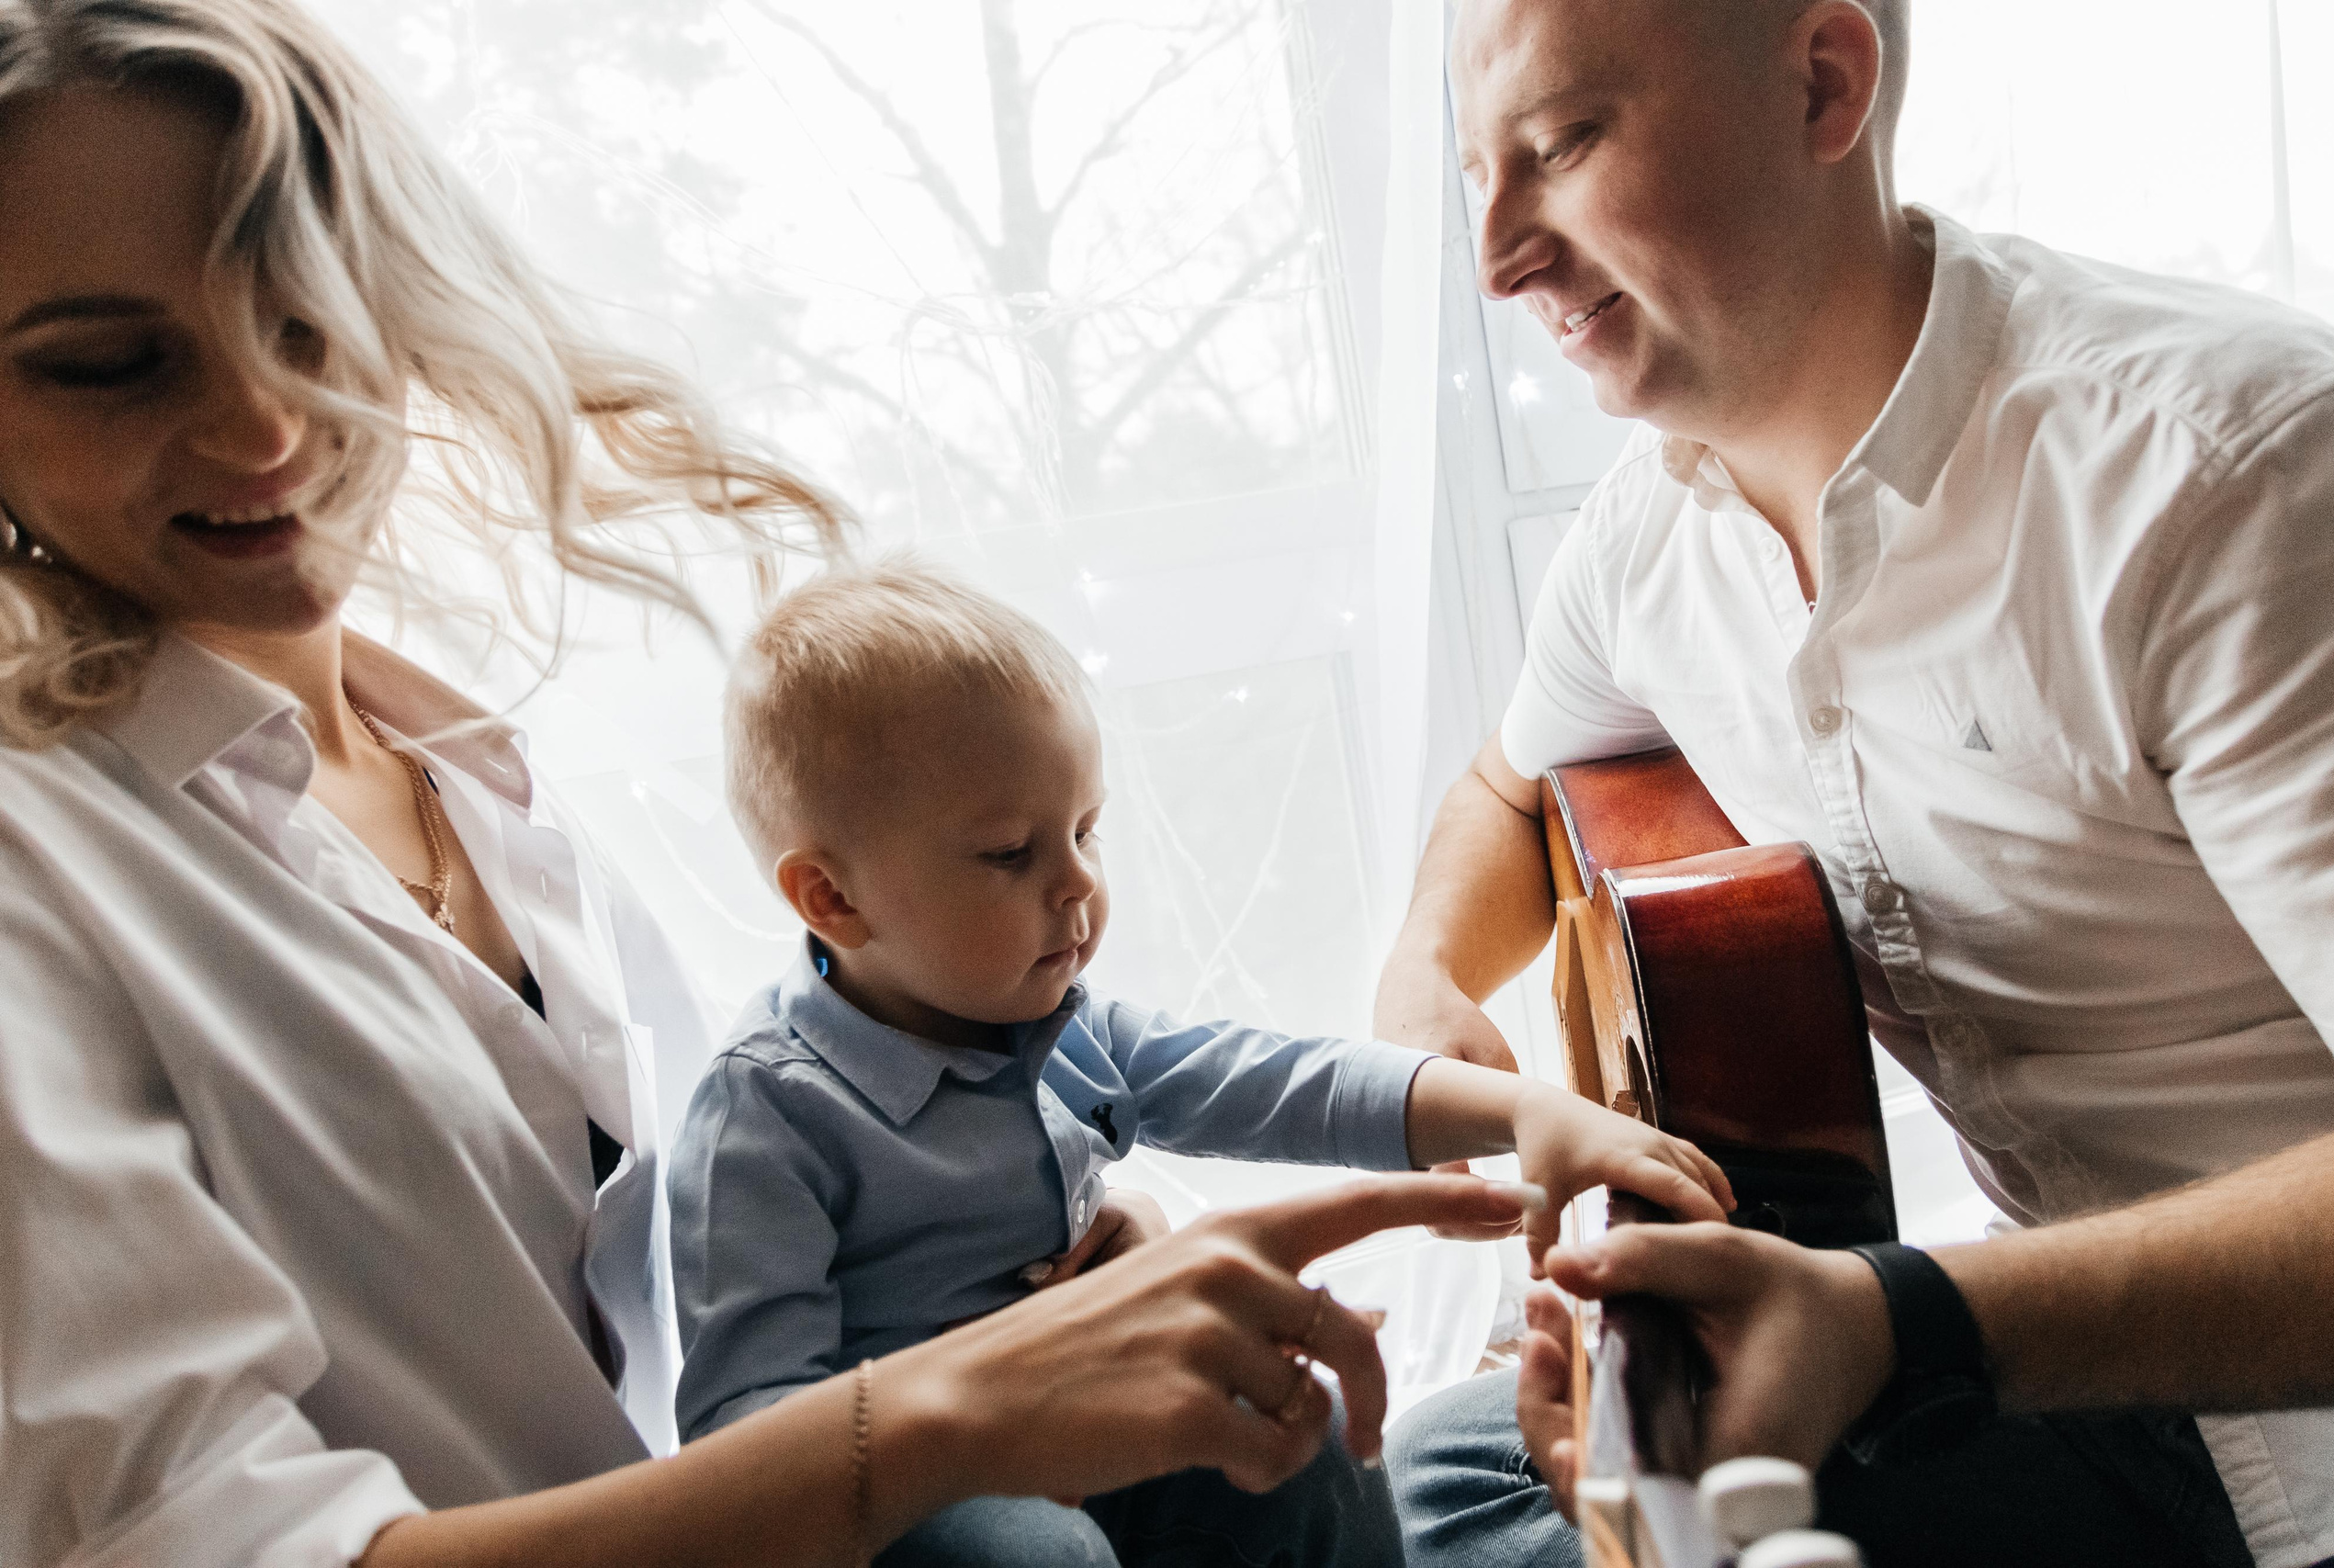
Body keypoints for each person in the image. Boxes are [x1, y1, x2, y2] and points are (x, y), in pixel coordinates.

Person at [0, 4, 1545, 1564]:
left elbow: (716, 1308)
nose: (266, 422)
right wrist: (963, 1406)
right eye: (109, 366)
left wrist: (1045, 1299)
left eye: (308, 317)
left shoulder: (477, 782)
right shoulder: (38, 870)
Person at [1372, 0, 2334, 1565]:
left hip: (2307, 1437)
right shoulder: (1643, 541)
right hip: (2036, 1357)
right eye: (1478, 172)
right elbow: (1509, 790)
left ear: (1824, 84)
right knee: (1451, 1469)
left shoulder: (2234, 475)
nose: (1499, 260)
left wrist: (1905, 1322)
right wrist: (1426, 977)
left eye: (1560, 145)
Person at [668, 559, 1737, 1567]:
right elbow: (743, 1442)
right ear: (832, 898)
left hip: (1098, 1421)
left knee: (1309, 1439)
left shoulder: (1056, 1022)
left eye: (1087, 831)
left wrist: (1523, 1112)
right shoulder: (767, 1117)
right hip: (928, 1497)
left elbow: (1279, 1082)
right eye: (1010, 853)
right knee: (1040, 1556)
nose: (1078, 885)